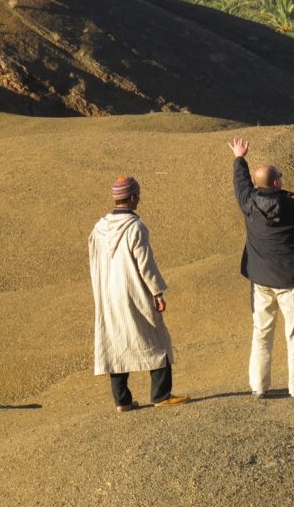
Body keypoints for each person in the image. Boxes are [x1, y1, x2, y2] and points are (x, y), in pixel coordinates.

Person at [229, 137, 294, 401]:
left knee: (261, 332)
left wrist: (239, 158)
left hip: (260, 280)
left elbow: (241, 183)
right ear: (278, 183)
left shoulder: (248, 202)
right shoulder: (288, 206)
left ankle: (259, 387)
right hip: (289, 281)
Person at [88, 175, 189, 412]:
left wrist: (100, 291)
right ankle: (161, 395)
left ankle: (122, 401)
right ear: (133, 197)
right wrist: (157, 292)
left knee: (115, 341)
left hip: (108, 293)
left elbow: (93, 261)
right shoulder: (135, 227)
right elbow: (145, 264)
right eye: (138, 195)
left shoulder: (98, 228)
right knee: (157, 338)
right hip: (133, 290)